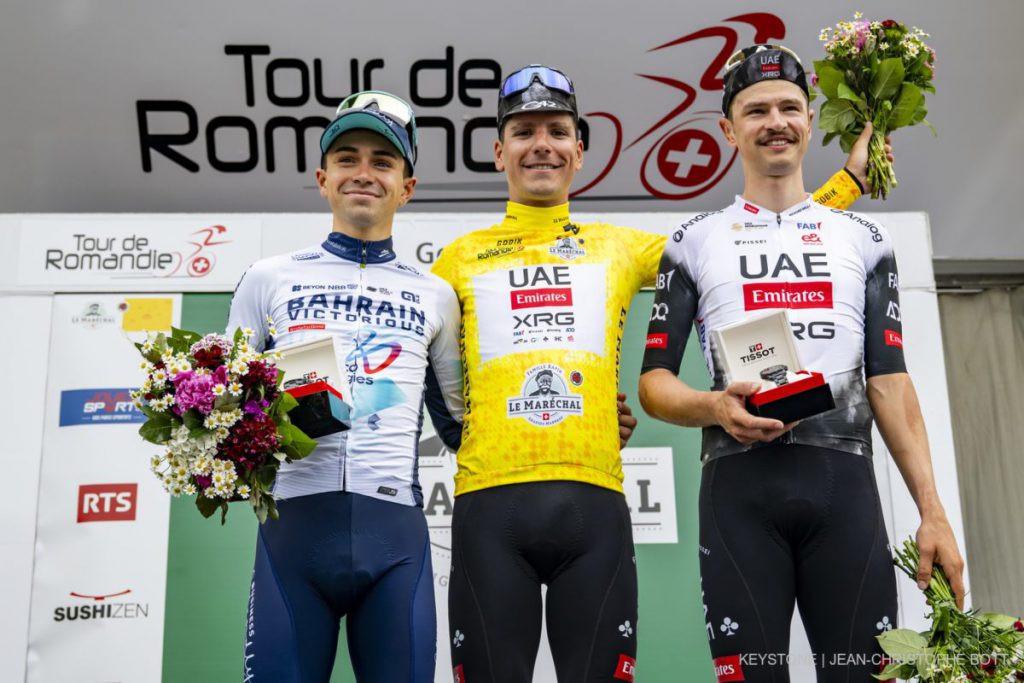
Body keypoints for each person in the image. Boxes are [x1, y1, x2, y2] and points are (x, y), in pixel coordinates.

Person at [430, 63, 876, 683]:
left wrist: (847, 185)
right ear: (498, 150)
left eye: (557, 131)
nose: (541, 145)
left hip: (595, 502)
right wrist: (478, 436)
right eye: (524, 132)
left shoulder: (619, 246)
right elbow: (441, 386)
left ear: (579, 150)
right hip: (488, 498)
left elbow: (732, 242)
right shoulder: (456, 259)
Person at [638, 45, 965, 682]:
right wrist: (714, 406)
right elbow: (654, 383)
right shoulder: (695, 239)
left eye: (789, 107)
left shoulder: (864, 240)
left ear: (810, 122)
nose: (776, 122)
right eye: (756, 110)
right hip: (738, 491)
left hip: (844, 489)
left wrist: (933, 511)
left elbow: (889, 381)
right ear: (728, 129)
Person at [227, 91, 464, 682]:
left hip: (395, 539)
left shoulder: (436, 295)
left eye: (383, 162)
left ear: (407, 187)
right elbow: (223, 405)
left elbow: (464, 425)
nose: (364, 173)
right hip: (293, 532)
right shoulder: (267, 279)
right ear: (322, 179)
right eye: (347, 159)